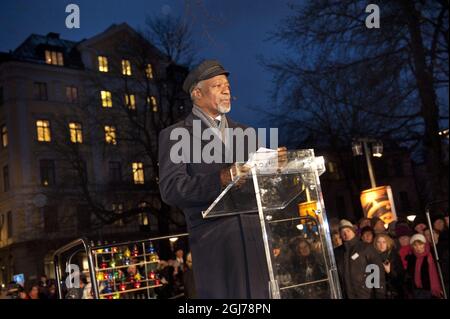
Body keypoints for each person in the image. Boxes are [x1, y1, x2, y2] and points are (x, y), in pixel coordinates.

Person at [158, 59, 286, 298]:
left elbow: (263, 187)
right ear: (197, 93)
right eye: (217, 85)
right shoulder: (176, 134)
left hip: (255, 240)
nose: (227, 90)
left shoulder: (246, 133)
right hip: (215, 242)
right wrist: (222, 178)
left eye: (227, 85)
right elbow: (171, 189)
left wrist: (274, 172)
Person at [334, 219, 386, 299]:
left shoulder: (365, 247)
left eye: (348, 231)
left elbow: (376, 271)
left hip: (366, 295)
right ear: (340, 235)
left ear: (353, 232)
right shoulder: (338, 252)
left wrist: (380, 294)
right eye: (343, 232)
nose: (346, 234)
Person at [405, 234, 443, 299]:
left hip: (430, 289)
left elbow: (438, 272)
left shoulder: (433, 255)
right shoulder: (411, 258)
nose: (418, 247)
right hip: (417, 290)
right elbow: (409, 274)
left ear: (425, 244)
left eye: (420, 244)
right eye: (415, 245)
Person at [373, 233, 405, 299]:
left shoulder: (394, 256)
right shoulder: (373, 256)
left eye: (384, 242)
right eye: (379, 242)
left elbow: (401, 277)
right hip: (378, 292)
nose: (381, 245)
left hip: (393, 291)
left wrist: (389, 272)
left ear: (388, 243)